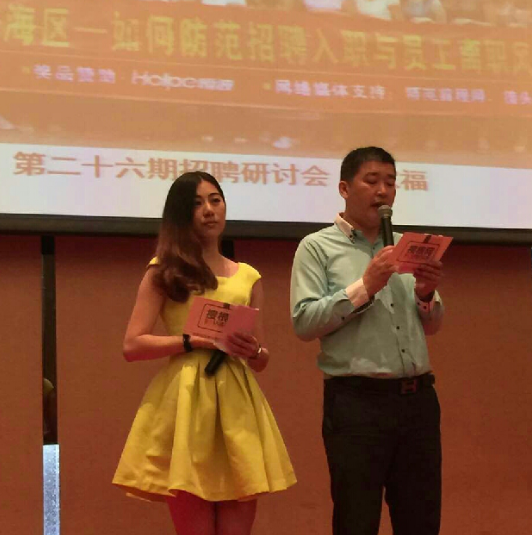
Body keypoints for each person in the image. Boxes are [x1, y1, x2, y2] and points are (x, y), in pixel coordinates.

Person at [113, 171, 296, 535]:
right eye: (197, 204)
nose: (209, 210)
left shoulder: (248, 277)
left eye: (215, 200)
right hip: (185, 400)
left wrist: (254, 350)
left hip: (237, 403)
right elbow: (132, 344)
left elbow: (261, 360)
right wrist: (191, 340)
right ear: (181, 214)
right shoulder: (164, 271)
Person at [290, 147, 444, 535]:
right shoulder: (317, 247)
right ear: (344, 188)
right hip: (357, 405)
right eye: (372, 181)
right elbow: (304, 322)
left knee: (421, 520)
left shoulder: (409, 247)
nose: (383, 191)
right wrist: (365, 286)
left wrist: (426, 293)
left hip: (418, 402)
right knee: (356, 520)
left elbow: (432, 325)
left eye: (390, 182)